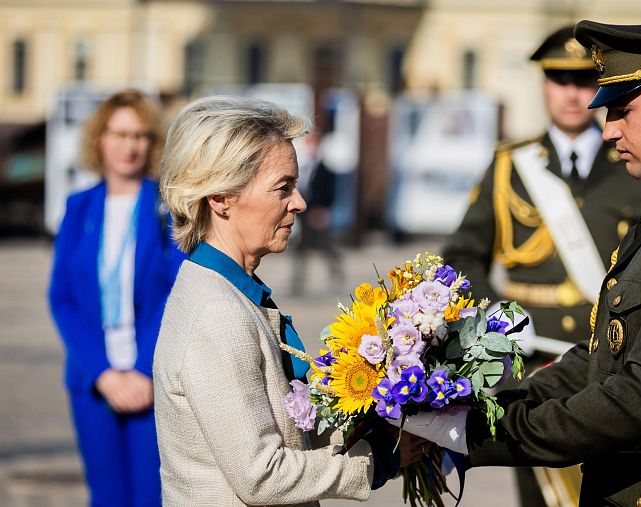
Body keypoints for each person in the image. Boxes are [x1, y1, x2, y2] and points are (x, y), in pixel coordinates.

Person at [405, 21, 641, 505]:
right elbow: (602, 359)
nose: (608, 129)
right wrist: (469, 411)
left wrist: (471, 435)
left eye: (622, 110)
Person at [154, 96, 424, 506]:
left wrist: (378, 411)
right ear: (221, 197)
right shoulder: (218, 313)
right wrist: (378, 460)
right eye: (283, 187)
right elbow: (260, 475)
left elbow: (286, 428)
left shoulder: (233, 291)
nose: (298, 202)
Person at [442, 24, 641, 506]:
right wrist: (493, 317)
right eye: (560, 79)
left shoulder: (632, 160)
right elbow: (463, 255)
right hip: (532, 363)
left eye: (584, 80)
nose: (573, 93)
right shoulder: (509, 166)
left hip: (608, 358)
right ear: (543, 84)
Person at [48, 89, 186, 507]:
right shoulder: (78, 207)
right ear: (100, 139)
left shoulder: (167, 208)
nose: (130, 145)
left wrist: (143, 371)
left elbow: (176, 293)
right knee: (105, 496)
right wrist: (103, 372)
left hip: (151, 379)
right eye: (120, 134)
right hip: (93, 381)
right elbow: (62, 298)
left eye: (141, 136)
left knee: (150, 496)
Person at [290, 130, 344, 295]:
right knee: (301, 248)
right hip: (305, 214)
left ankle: (337, 276)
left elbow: (330, 191)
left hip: (318, 213)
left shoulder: (325, 169)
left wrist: (323, 210)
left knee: (326, 247)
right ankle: (297, 282)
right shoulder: (302, 166)